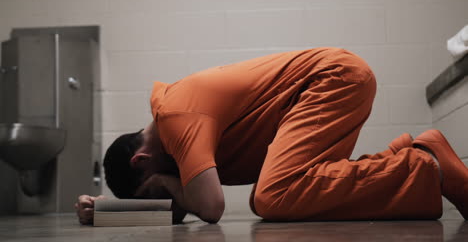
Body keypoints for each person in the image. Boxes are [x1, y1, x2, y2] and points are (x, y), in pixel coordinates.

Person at [75, 47, 468, 225]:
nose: (169, 196)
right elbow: (185, 207)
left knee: (272, 195)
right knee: (282, 189)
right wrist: (107, 211)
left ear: (142, 161)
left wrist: (166, 184)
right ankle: (406, 156)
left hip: (331, 80)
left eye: (156, 190)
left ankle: (425, 170)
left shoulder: (175, 119)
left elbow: (209, 208)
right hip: (329, 81)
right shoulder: (172, 128)